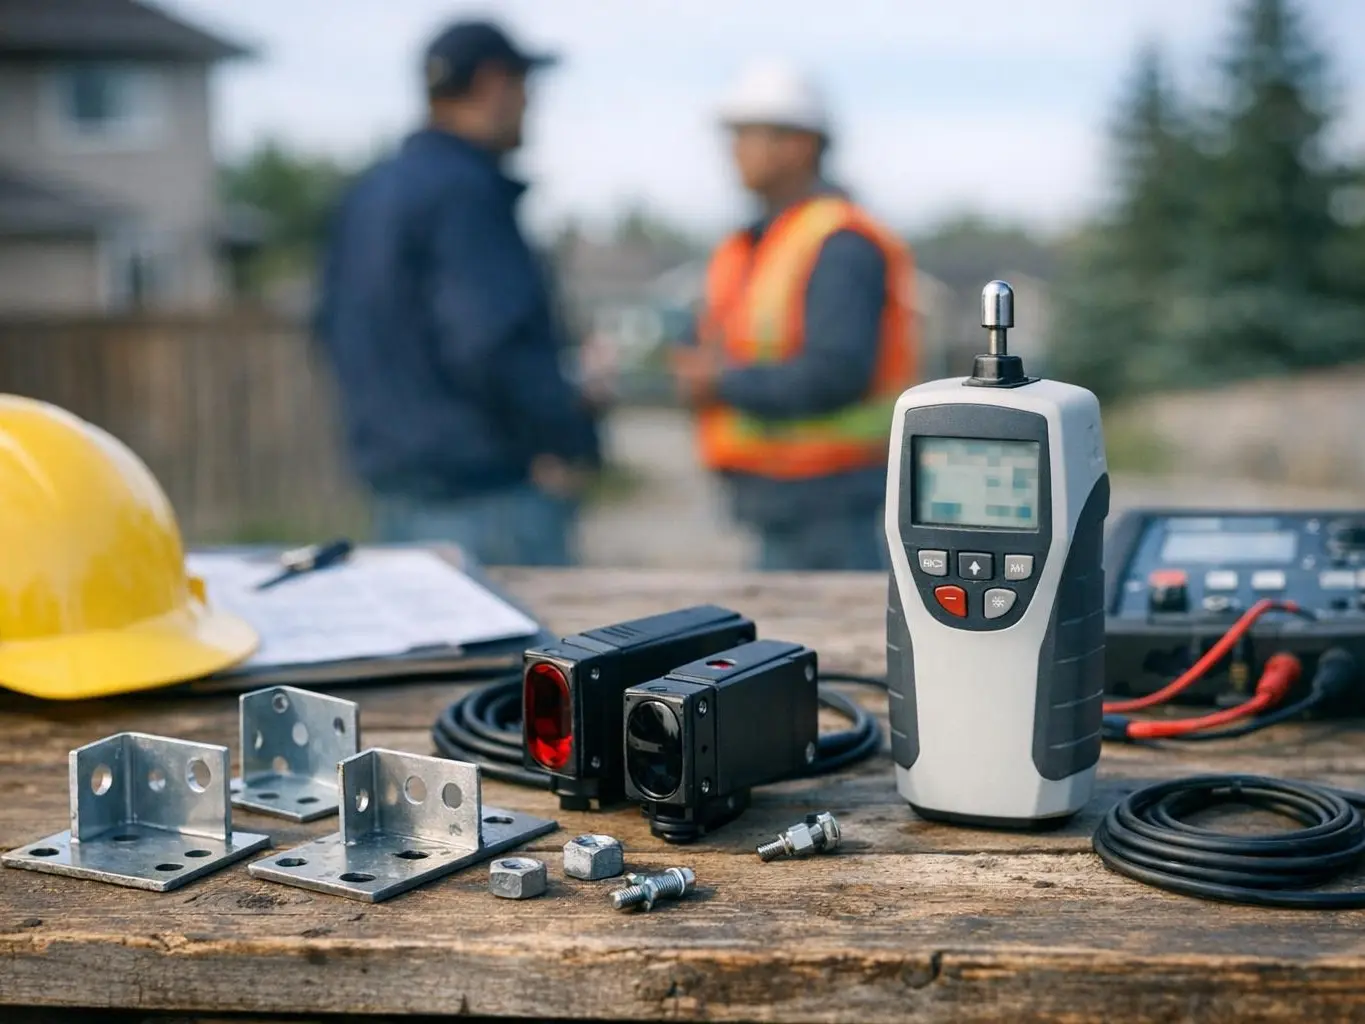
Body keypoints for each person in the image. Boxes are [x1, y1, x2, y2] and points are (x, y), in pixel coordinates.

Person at [314, 19, 603, 566]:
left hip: (398, 494)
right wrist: (563, 430)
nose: (528, 106)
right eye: (523, 88)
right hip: (488, 503)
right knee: (528, 654)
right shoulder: (467, 194)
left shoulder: (369, 195)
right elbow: (489, 340)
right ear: (494, 84)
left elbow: (332, 329)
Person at [670, 59, 920, 571]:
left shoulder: (839, 242)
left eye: (748, 134)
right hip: (782, 501)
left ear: (799, 144)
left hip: (827, 503)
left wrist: (720, 382)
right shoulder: (759, 242)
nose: (734, 150)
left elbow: (837, 372)